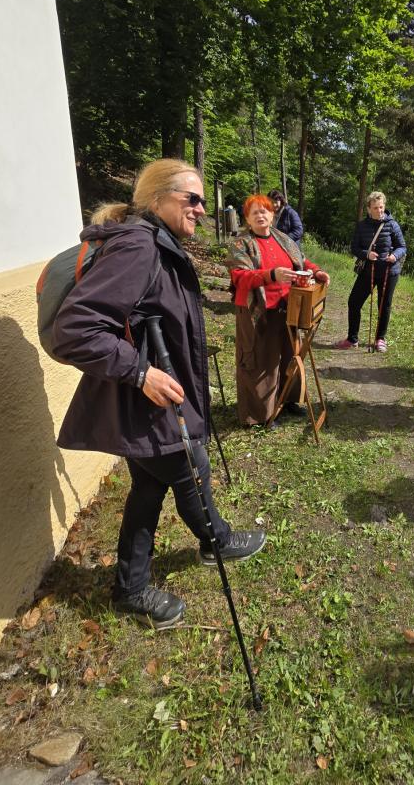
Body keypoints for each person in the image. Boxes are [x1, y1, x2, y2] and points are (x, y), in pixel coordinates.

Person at [52, 159, 265, 628]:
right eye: (192, 198)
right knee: (191, 467)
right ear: (156, 198)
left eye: (204, 201)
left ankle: (130, 587)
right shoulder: (138, 245)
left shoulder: (156, 241)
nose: (202, 209)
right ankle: (217, 542)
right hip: (147, 397)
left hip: (146, 398)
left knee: (149, 484)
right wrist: (140, 373)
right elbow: (75, 330)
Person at [225, 194, 330, 427]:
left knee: (290, 354)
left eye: (264, 211)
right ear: (247, 219)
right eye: (254, 213)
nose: (260, 216)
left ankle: (288, 399)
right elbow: (239, 277)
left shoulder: (283, 238)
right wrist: (271, 275)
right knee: (261, 361)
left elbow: (302, 261)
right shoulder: (241, 244)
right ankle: (260, 415)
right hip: (257, 311)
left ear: (272, 215)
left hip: (289, 308)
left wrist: (317, 271)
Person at [335, 191, 407, 353]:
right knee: (354, 302)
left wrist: (394, 256)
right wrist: (366, 254)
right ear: (369, 209)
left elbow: (402, 247)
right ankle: (352, 339)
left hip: (389, 272)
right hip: (368, 271)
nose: (379, 210)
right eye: (375, 208)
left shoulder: (392, 225)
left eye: (381, 207)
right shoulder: (362, 226)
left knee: (384, 305)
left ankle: (380, 339)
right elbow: (354, 247)